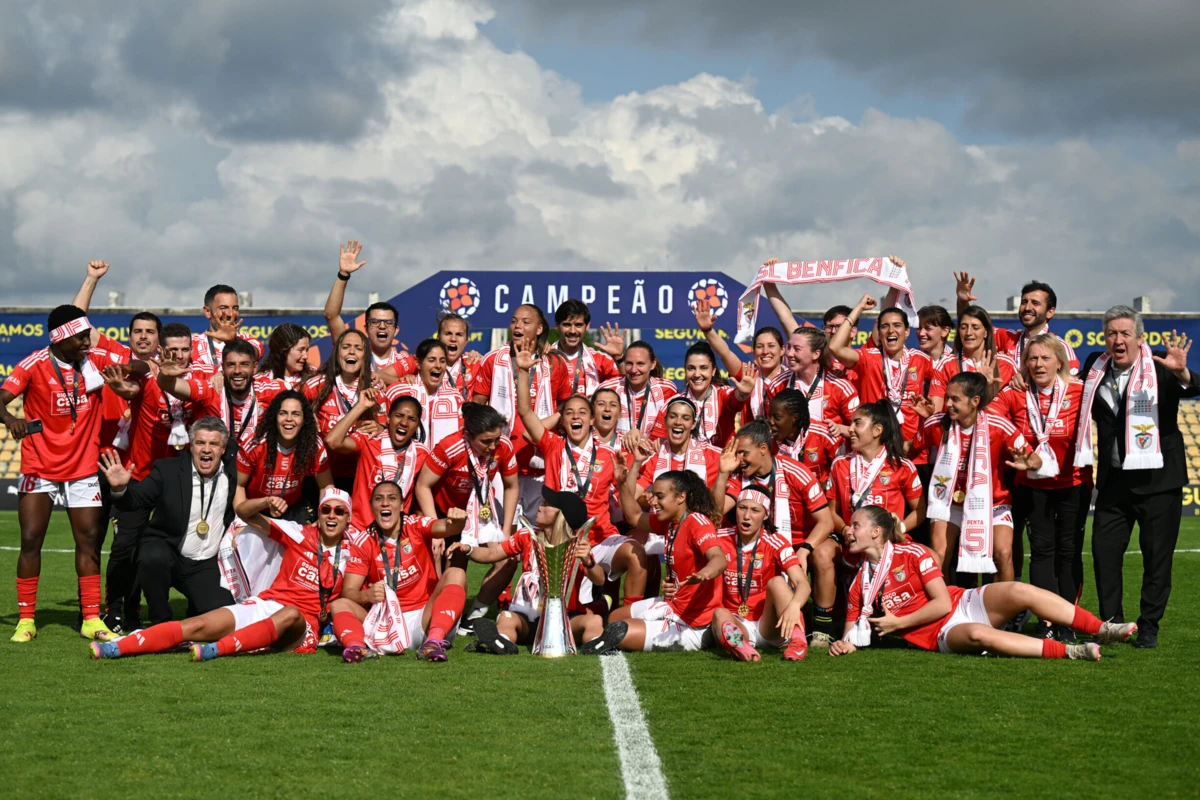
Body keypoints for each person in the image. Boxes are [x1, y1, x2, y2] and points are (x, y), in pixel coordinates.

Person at [1, 302, 141, 643]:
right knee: (31, 540)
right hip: (39, 465)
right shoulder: (33, 364)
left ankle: (92, 619)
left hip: (82, 468)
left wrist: (126, 368)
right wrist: (11, 420)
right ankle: (26, 620)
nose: (85, 342)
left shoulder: (93, 360)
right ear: (60, 338)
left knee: (89, 542)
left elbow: (138, 367)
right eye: (79, 337)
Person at [829, 505, 1136, 660]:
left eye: (855, 524)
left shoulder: (914, 552)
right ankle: (1070, 651)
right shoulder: (860, 585)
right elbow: (850, 635)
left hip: (962, 602)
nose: (848, 530)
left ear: (876, 532)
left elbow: (943, 603)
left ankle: (1102, 629)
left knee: (1019, 589)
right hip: (943, 633)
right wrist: (844, 645)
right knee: (978, 634)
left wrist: (899, 624)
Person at [90, 487, 355, 661]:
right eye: (326, 510)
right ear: (318, 515)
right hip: (267, 605)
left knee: (290, 614)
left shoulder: (355, 550)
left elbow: (356, 594)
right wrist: (264, 501)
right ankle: (118, 648)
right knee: (198, 625)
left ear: (348, 518)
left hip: (302, 625)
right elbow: (244, 514)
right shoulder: (298, 533)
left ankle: (216, 650)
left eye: (340, 511)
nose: (332, 516)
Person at [1078, 307, 1198, 649]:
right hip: (1114, 481)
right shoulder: (1094, 367)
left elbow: (1194, 386)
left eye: (1125, 333)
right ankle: (1113, 623)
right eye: (1111, 333)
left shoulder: (1161, 366)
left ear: (1139, 338)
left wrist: (1183, 372)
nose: (1118, 340)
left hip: (1159, 482)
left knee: (1156, 559)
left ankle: (1148, 627)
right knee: (1104, 553)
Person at [515, 345, 649, 607]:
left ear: (592, 421)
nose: (576, 417)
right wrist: (521, 372)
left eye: (582, 413)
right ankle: (595, 607)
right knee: (567, 608)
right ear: (563, 421)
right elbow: (525, 413)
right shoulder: (553, 446)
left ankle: (627, 616)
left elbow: (628, 500)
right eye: (569, 413)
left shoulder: (610, 455)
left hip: (598, 537)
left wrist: (626, 477)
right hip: (559, 537)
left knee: (637, 554)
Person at [99, 322, 204, 631]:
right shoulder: (148, 374)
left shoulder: (200, 380)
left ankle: (195, 605)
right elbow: (133, 378)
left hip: (180, 484)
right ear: (162, 350)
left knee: (185, 547)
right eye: (173, 349)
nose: (180, 355)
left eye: (185, 349)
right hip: (140, 477)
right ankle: (119, 611)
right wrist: (121, 383)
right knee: (125, 547)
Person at [992, 334, 1090, 640]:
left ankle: (1069, 621)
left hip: (1073, 483)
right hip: (1032, 486)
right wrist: (1024, 449)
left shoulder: (1080, 392)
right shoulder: (1016, 395)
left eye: (1045, 358)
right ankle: (1047, 622)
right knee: (1042, 553)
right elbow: (991, 415)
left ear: (1059, 361)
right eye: (1032, 359)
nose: (1038, 364)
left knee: (1069, 552)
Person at [99, 417, 237, 625]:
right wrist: (120, 489)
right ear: (191, 446)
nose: (206, 449)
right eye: (200, 443)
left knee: (220, 613)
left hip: (205, 563)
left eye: (213, 444)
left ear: (223, 448)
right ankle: (161, 622)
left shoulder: (234, 474)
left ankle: (196, 606)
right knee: (152, 555)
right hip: (168, 554)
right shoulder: (167, 470)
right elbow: (136, 501)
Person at [909, 372, 1041, 583]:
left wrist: (1029, 464)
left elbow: (1035, 459)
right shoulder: (935, 423)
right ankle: (941, 609)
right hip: (948, 503)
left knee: (1003, 553)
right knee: (940, 553)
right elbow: (909, 451)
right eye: (947, 397)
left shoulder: (998, 425)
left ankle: (1004, 611)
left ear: (975, 401)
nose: (948, 404)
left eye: (955, 399)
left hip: (992, 503)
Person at [715, 421, 836, 643]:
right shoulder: (738, 476)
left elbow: (826, 522)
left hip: (804, 542)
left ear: (763, 449)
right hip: (764, 542)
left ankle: (821, 628)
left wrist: (804, 550)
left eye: (744, 453)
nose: (739, 459)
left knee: (823, 554)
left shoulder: (796, 471)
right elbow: (716, 515)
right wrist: (722, 474)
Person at [582, 470, 727, 654]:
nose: (653, 502)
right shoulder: (670, 522)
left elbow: (719, 558)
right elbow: (634, 516)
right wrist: (622, 484)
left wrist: (705, 573)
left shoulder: (697, 522)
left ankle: (706, 636)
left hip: (693, 623)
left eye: (660, 496)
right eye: (653, 495)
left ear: (681, 497)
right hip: (673, 606)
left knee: (620, 632)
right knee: (614, 619)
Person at [460, 487, 612, 655]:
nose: (540, 505)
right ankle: (502, 642)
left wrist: (588, 562)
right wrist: (467, 549)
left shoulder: (577, 544)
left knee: (594, 621)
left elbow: (599, 580)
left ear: (561, 516)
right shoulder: (527, 535)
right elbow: (492, 553)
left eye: (546, 504)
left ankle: (595, 644)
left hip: (565, 618)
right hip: (527, 616)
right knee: (506, 618)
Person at [331, 481, 469, 663]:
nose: (385, 503)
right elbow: (348, 592)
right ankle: (356, 647)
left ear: (402, 505)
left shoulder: (415, 525)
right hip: (384, 625)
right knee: (339, 605)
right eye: (379, 499)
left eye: (392, 498)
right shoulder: (363, 541)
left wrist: (457, 522)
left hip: (424, 619)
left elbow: (447, 527)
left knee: (457, 574)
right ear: (372, 506)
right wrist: (366, 595)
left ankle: (433, 642)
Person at [415, 403, 520, 632]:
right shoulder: (450, 446)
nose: (493, 446)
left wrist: (505, 530)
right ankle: (442, 620)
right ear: (468, 435)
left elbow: (511, 486)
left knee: (508, 559)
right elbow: (423, 486)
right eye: (485, 441)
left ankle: (474, 615)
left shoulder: (504, 446)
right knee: (454, 570)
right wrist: (436, 529)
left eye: (496, 439)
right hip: (446, 515)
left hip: (482, 513)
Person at [472, 303, 570, 516]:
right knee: (500, 533)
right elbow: (477, 406)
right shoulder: (493, 359)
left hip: (541, 467)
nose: (518, 326)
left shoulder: (556, 363)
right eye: (514, 321)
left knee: (538, 532)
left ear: (539, 329)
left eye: (526, 322)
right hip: (499, 464)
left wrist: (545, 430)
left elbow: (566, 408)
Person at [710, 486, 810, 662]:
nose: (747, 516)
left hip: (770, 624)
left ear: (765, 515)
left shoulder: (776, 541)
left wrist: (794, 606)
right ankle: (741, 646)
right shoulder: (719, 538)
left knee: (778, 582)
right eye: (742, 508)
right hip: (737, 621)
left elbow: (803, 584)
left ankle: (798, 640)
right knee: (719, 614)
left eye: (755, 510)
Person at [829, 293, 935, 443]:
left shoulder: (921, 359)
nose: (891, 330)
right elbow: (835, 347)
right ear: (879, 333)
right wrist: (858, 308)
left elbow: (944, 384)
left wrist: (931, 413)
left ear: (907, 331)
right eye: (885, 326)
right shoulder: (869, 357)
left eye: (897, 325)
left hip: (912, 451)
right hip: (875, 446)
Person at [761, 284, 860, 427]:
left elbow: (859, 429)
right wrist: (768, 284)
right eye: (829, 327)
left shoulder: (861, 359)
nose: (833, 331)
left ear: (852, 330)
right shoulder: (807, 347)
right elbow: (786, 318)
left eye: (839, 327)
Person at [326, 391, 427, 529]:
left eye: (412, 419)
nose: (404, 422)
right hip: (360, 530)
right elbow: (332, 441)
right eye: (399, 416)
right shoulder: (369, 439)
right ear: (388, 419)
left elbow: (421, 497)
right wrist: (360, 406)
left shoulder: (421, 454)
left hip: (395, 535)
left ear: (417, 425)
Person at [234, 390, 333, 523]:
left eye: (296, 414)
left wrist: (322, 520)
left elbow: (326, 486)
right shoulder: (254, 444)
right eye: (283, 413)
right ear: (275, 417)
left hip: (293, 510)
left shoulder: (313, 445)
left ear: (304, 420)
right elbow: (238, 486)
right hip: (255, 510)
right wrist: (241, 520)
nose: (289, 419)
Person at [954, 273, 1078, 374]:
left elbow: (1071, 387)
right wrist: (962, 301)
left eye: (1035, 303)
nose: (1027, 307)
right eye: (1024, 302)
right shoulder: (1008, 337)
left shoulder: (1060, 347)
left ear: (1050, 312)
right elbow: (972, 326)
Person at [159, 337, 263, 451]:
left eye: (244, 364)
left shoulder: (270, 389)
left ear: (254, 367)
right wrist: (166, 377)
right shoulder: (211, 389)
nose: (237, 371)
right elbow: (173, 386)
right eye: (231, 365)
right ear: (222, 368)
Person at [650, 341, 747, 448]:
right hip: (685, 464)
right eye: (691, 368)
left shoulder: (723, 394)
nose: (697, 374)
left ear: (713, 370)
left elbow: (736, 400)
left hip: (722, 462)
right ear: (685, 370)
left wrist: (742, 393)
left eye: (703, 368)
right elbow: (655, 441)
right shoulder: (672, 404)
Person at [696, 302, 783, 420]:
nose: (765, 351)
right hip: (752, 437)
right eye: (759, 346)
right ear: (753, 351)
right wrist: (708, 330)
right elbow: (725, 353)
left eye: (771, 346)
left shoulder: (792, 378)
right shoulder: (748, 374)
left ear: (782, 350)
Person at [631, 397, 724, 498]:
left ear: (693, 424)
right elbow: (629, 499)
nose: (678, 422)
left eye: (686, 418)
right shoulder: (653, 456)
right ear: (665, 421)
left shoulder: (713, 455)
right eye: (673, 416)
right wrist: (636, 463)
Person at [930, 305, 1016, 410]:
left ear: (986, 332)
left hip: (996, 426)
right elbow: (936, 413)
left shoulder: (1007, 364)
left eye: (975, 327)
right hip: (956, 426)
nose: (968, 333)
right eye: (963, 327)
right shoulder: (946, 365)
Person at [383, 339, 463, 452]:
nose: (438, 366)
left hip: (443, 466)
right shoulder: (397, 391)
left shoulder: (456, 398)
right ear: (418, 363)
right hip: (402, 463)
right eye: (432, 360)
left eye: (442, 361)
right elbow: (382, 428)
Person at [766, 388, 840, 486]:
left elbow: (842, 469)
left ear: (794, 418)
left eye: (777, 417)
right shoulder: (768, 442)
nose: (771, 421)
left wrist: (826, 486)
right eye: (769, 416)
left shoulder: (824, 435)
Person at [552, 298, 624, 397]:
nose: (573, 331)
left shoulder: (601, 360)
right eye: (567, 325)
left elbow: (626, 386)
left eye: (578, 325)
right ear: (557, 326)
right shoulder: (543, 359)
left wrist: (619, 358)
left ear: (587, 326)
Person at [189, 284, 264, 375]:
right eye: (223, 308)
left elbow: (251, 354)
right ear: (208, 312)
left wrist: (232, 341)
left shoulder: (250, 341)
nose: (230, 313)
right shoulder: (191, 345)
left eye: (235, 308)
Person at [253, 323, 313, 405]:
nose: (305, 356)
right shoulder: (259, 382)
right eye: (301, 350)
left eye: (306, 350)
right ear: (283, 350)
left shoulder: (314, 377)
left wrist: (286, 387)